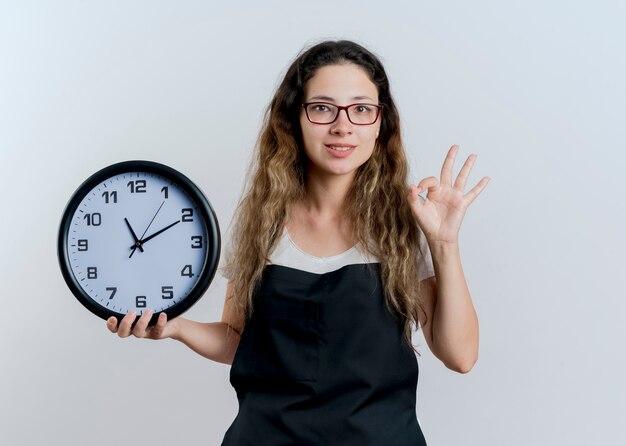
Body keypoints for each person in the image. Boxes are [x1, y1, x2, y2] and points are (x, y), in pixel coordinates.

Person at [107, 40, 490, 445]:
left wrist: (443, 243)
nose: (343, 126)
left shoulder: (403, 225)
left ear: (380, 124)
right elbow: (239, 341)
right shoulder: (263, 220)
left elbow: (460, 356)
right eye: (323, 108)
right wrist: (177, 328)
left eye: (361, 109)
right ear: (295, 118)